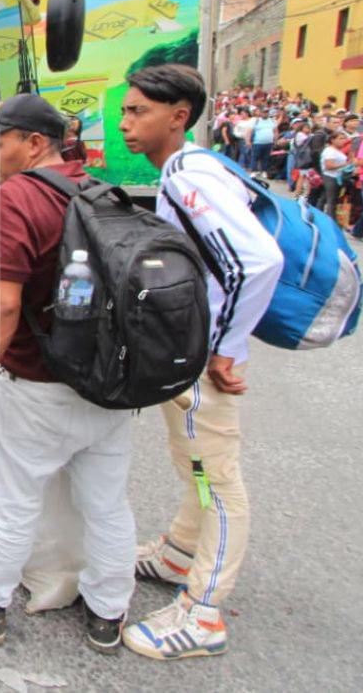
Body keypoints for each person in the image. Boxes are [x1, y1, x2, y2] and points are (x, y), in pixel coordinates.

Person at [0, 94, 135, 655]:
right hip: (106, 382)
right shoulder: (96, 190)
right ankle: (108, 611)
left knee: (15, 502)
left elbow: (1, 305)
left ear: (36, 143)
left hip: (36, 383)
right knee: (107, 505)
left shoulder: (15, 199)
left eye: (0, 142)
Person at [118, 63, 283, 661]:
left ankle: (203, 612)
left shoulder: (189, 176)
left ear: (178, 116)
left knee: (216, 479)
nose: (125, 123)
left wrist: (224, 349)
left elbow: (257, 262)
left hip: (201, 360)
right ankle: (179, 554)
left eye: (138, 111)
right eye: (126, 110)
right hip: (189, 351)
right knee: (197, 468)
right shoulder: (191, 167)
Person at [319, 131, 351, 219]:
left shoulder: (338, 151)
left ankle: (320, 214)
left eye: (344, 138)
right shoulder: (330, 151)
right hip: (331, 177)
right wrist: (345, 164)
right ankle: (330, 218)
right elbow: (329, 165)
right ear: (332, 140)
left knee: (326, 197)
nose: (343, 141)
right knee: (331, 200)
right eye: (340, 138)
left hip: (337, 177)